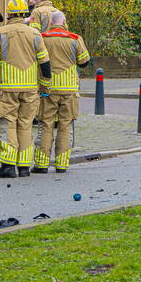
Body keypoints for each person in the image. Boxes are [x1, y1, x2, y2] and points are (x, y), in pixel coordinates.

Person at [0, 0, 51, 178]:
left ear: (9, 14)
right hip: (30, 89)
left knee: (7, 125)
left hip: (6, 88)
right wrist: (45, 87)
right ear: (25, 14)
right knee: (25, 125)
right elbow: (45, 63)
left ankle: (8, 166)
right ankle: (24, 167)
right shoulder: (35, 34)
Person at [34, 11, 90, 173]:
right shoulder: (75, 38)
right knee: (66, 126)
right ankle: (61, 164)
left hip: (47, 88)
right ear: (64, 21)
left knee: (45, 124)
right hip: (69, 89)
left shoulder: (42, 38)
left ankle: (41, 164)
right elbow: (84, 62)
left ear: (51, 23)